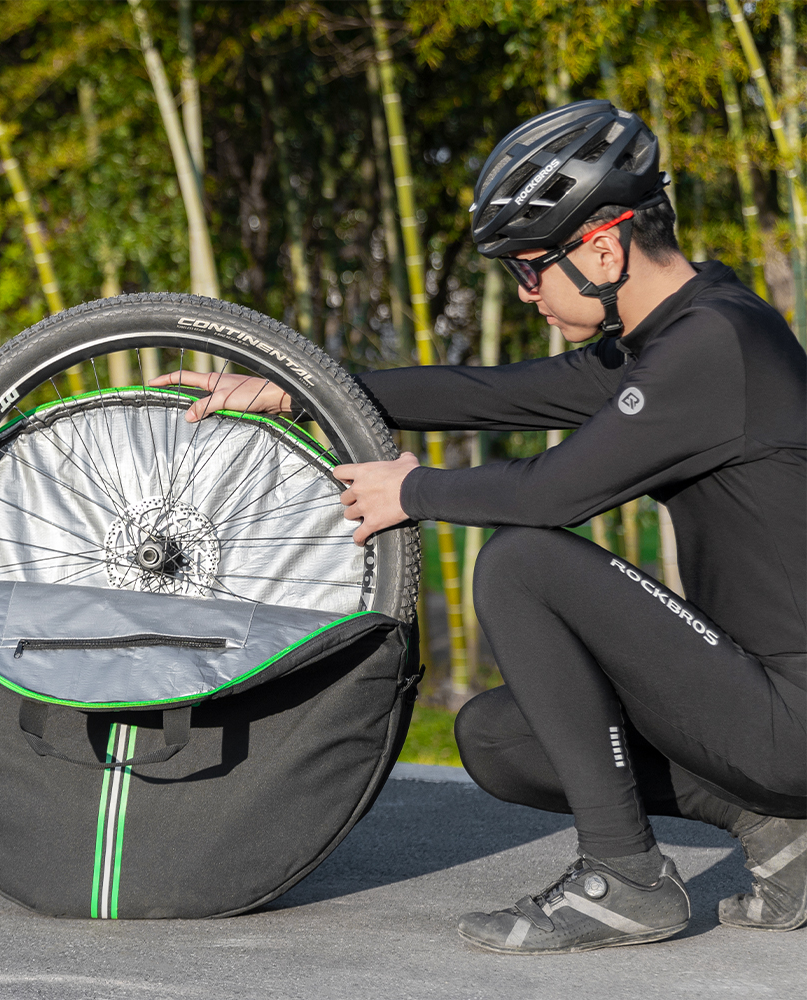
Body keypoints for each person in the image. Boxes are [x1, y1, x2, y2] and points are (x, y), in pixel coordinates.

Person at [151, 99, 806, 954]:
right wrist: (296, 391)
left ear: (603, 247)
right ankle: (778, 828)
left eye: (532, 269)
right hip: (762, 707)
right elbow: (494, 393)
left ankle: (629, 883)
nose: (527, 293)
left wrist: (415, 491)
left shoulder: (715, 346)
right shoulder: (681, 333)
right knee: (498, 739)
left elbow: (552, 495)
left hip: (790, 712)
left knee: (522, 562)